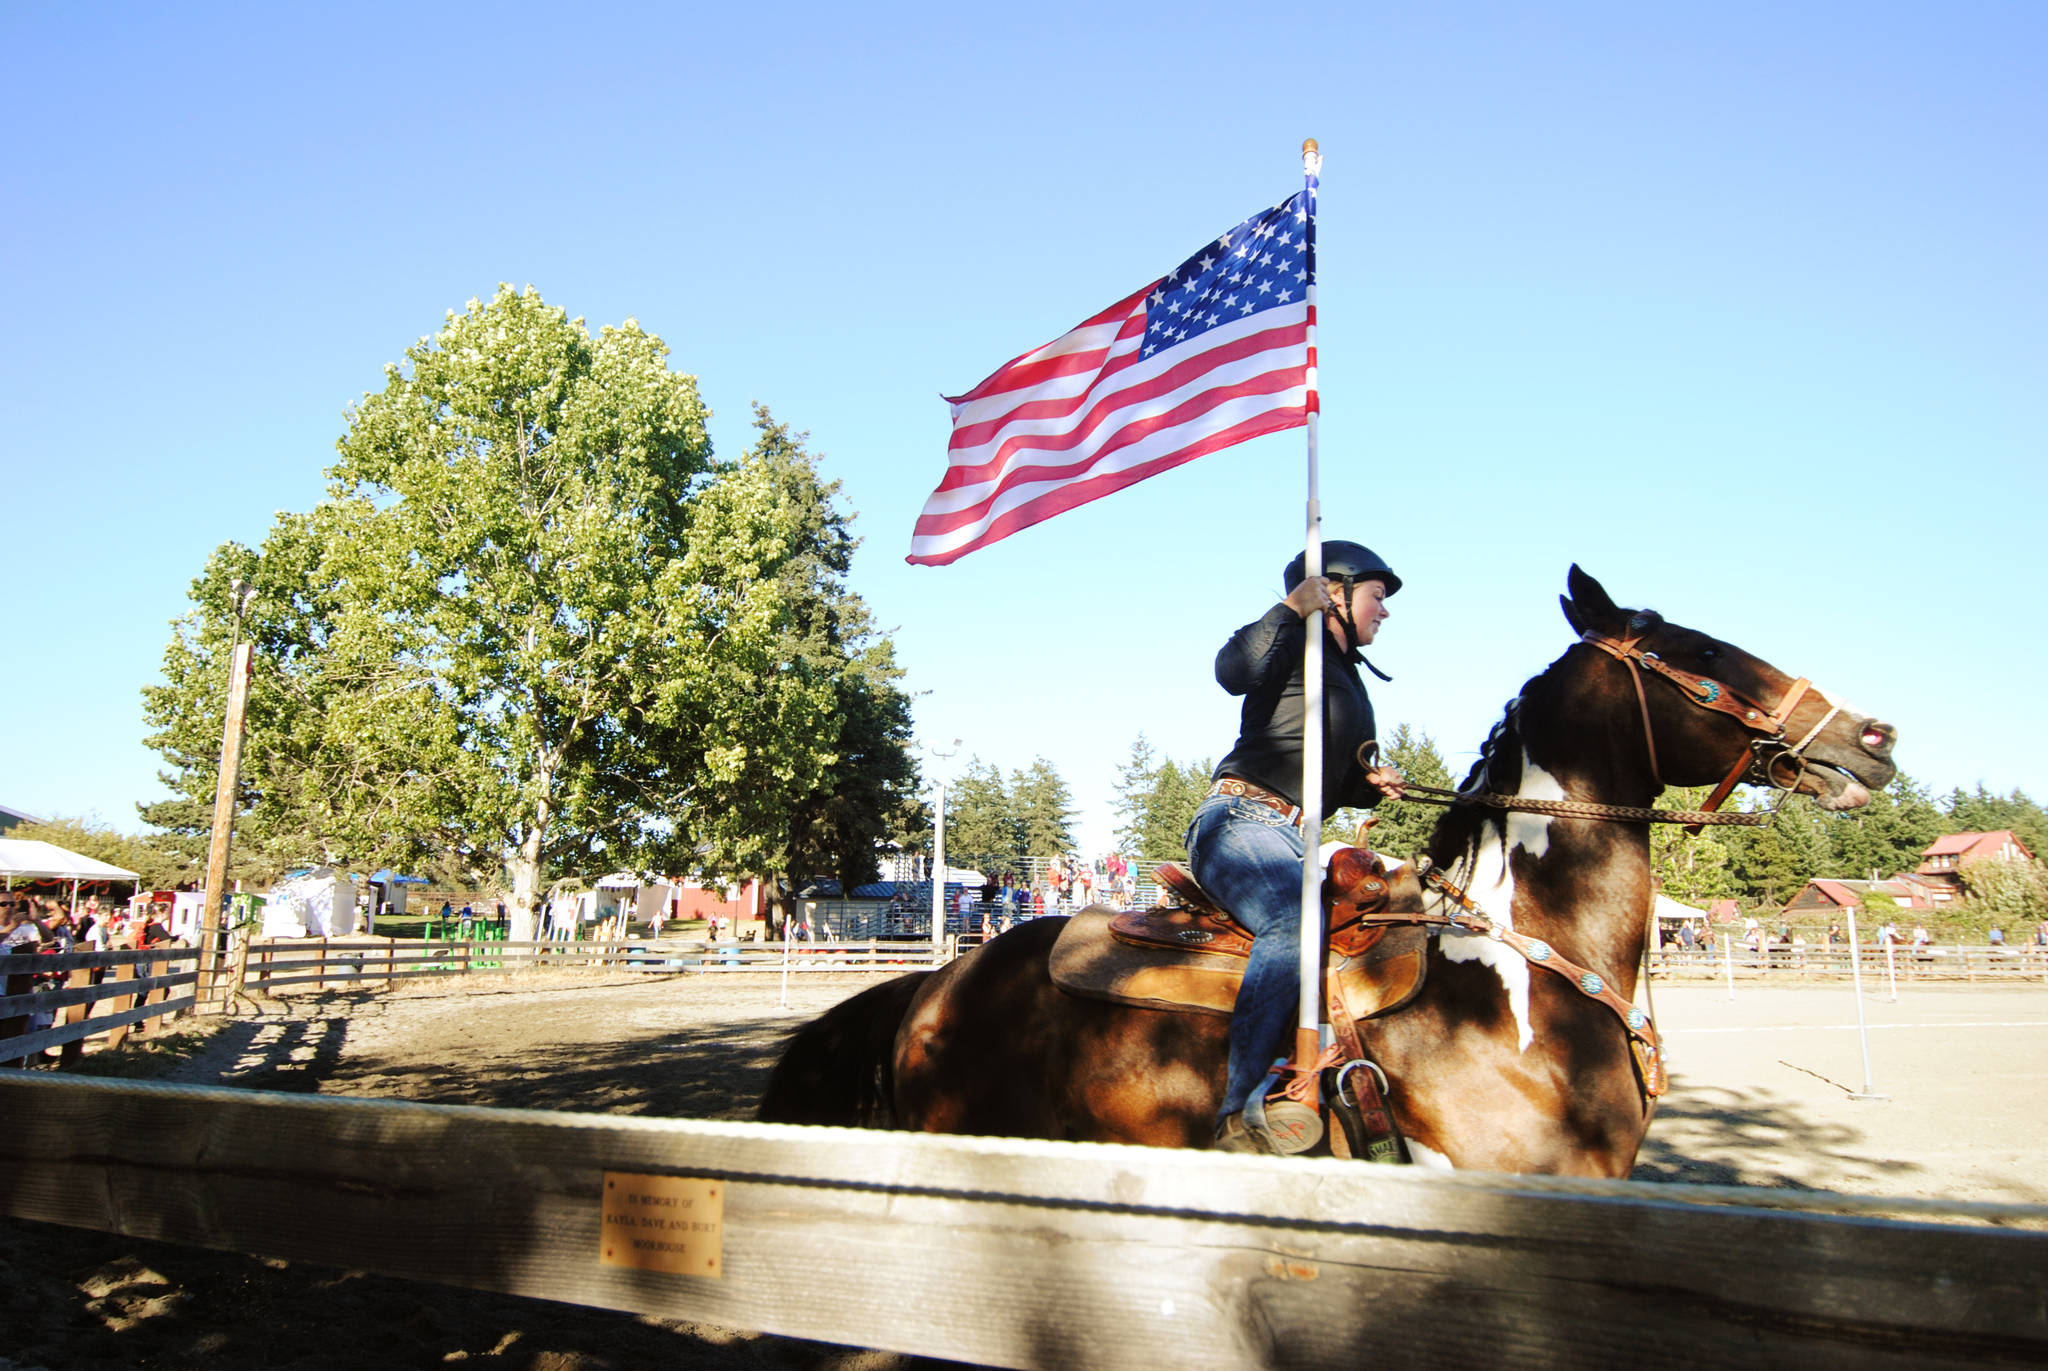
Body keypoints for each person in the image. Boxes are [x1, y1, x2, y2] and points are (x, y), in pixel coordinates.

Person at [1186, 540, 1406, 1154]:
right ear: (1335, 592)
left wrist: (1371, 783)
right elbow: (1233, 672)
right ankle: (1242, 1111)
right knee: (1295, 917)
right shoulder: (1292, 641)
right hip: (1240, 819)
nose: (1385, 610)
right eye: (1377, 596)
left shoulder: (1348, 676)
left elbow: (1333, 775)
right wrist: (1290, 607)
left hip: (1297, 831)